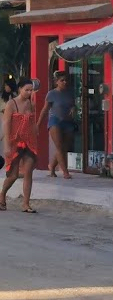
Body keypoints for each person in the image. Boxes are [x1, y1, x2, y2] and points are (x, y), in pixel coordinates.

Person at [2, 78, 45, 212]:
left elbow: (32, 121)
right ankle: (2, 194)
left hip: (29, 142)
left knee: (28, 173)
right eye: (26, 90)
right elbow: (6, 124)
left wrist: (36, 129)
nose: (29, 92)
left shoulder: (31, 104)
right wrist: (7, 145)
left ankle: (26, 203)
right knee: (13, 175)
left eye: (31, 90)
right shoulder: (11, 104)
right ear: (20, 89)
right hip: (14, 141)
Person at [46, 71, 76, 179]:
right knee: (58, 146)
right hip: (55, 120)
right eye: (62, 80)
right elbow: (45, 109)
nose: (64, 82)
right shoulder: (51, 94)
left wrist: (73, 108)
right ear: (57, 82)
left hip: (67, 121)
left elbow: (73, 104)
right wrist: (38, 123)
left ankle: (52, 167)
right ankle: (65, 172)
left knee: (64, 147)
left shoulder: (70, 92)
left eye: (66, 80)